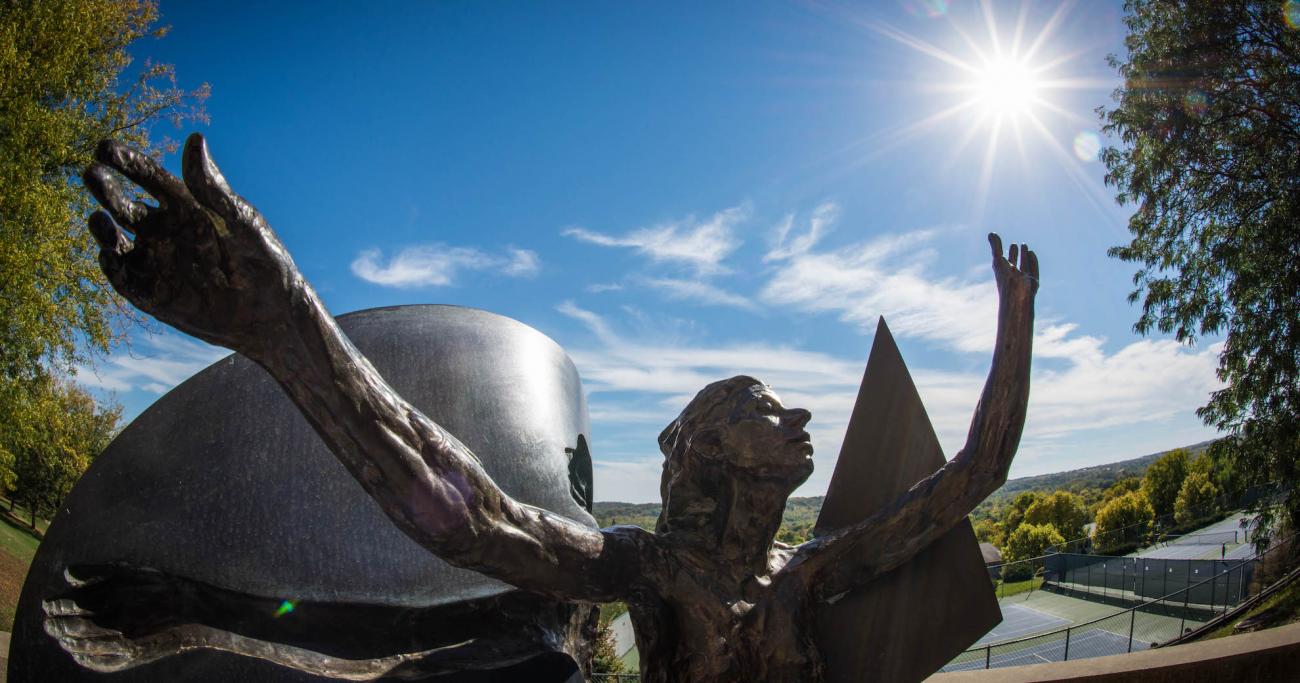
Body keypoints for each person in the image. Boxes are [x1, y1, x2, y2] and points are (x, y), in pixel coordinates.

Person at [47, 135, 1040, 682]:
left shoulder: (810, 571)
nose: (793, 413)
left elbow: (974, 473)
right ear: (701, 448)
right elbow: (471, 515)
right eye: (757, 403)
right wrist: (284, 327)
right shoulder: (642, 569)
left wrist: (1014, 321)